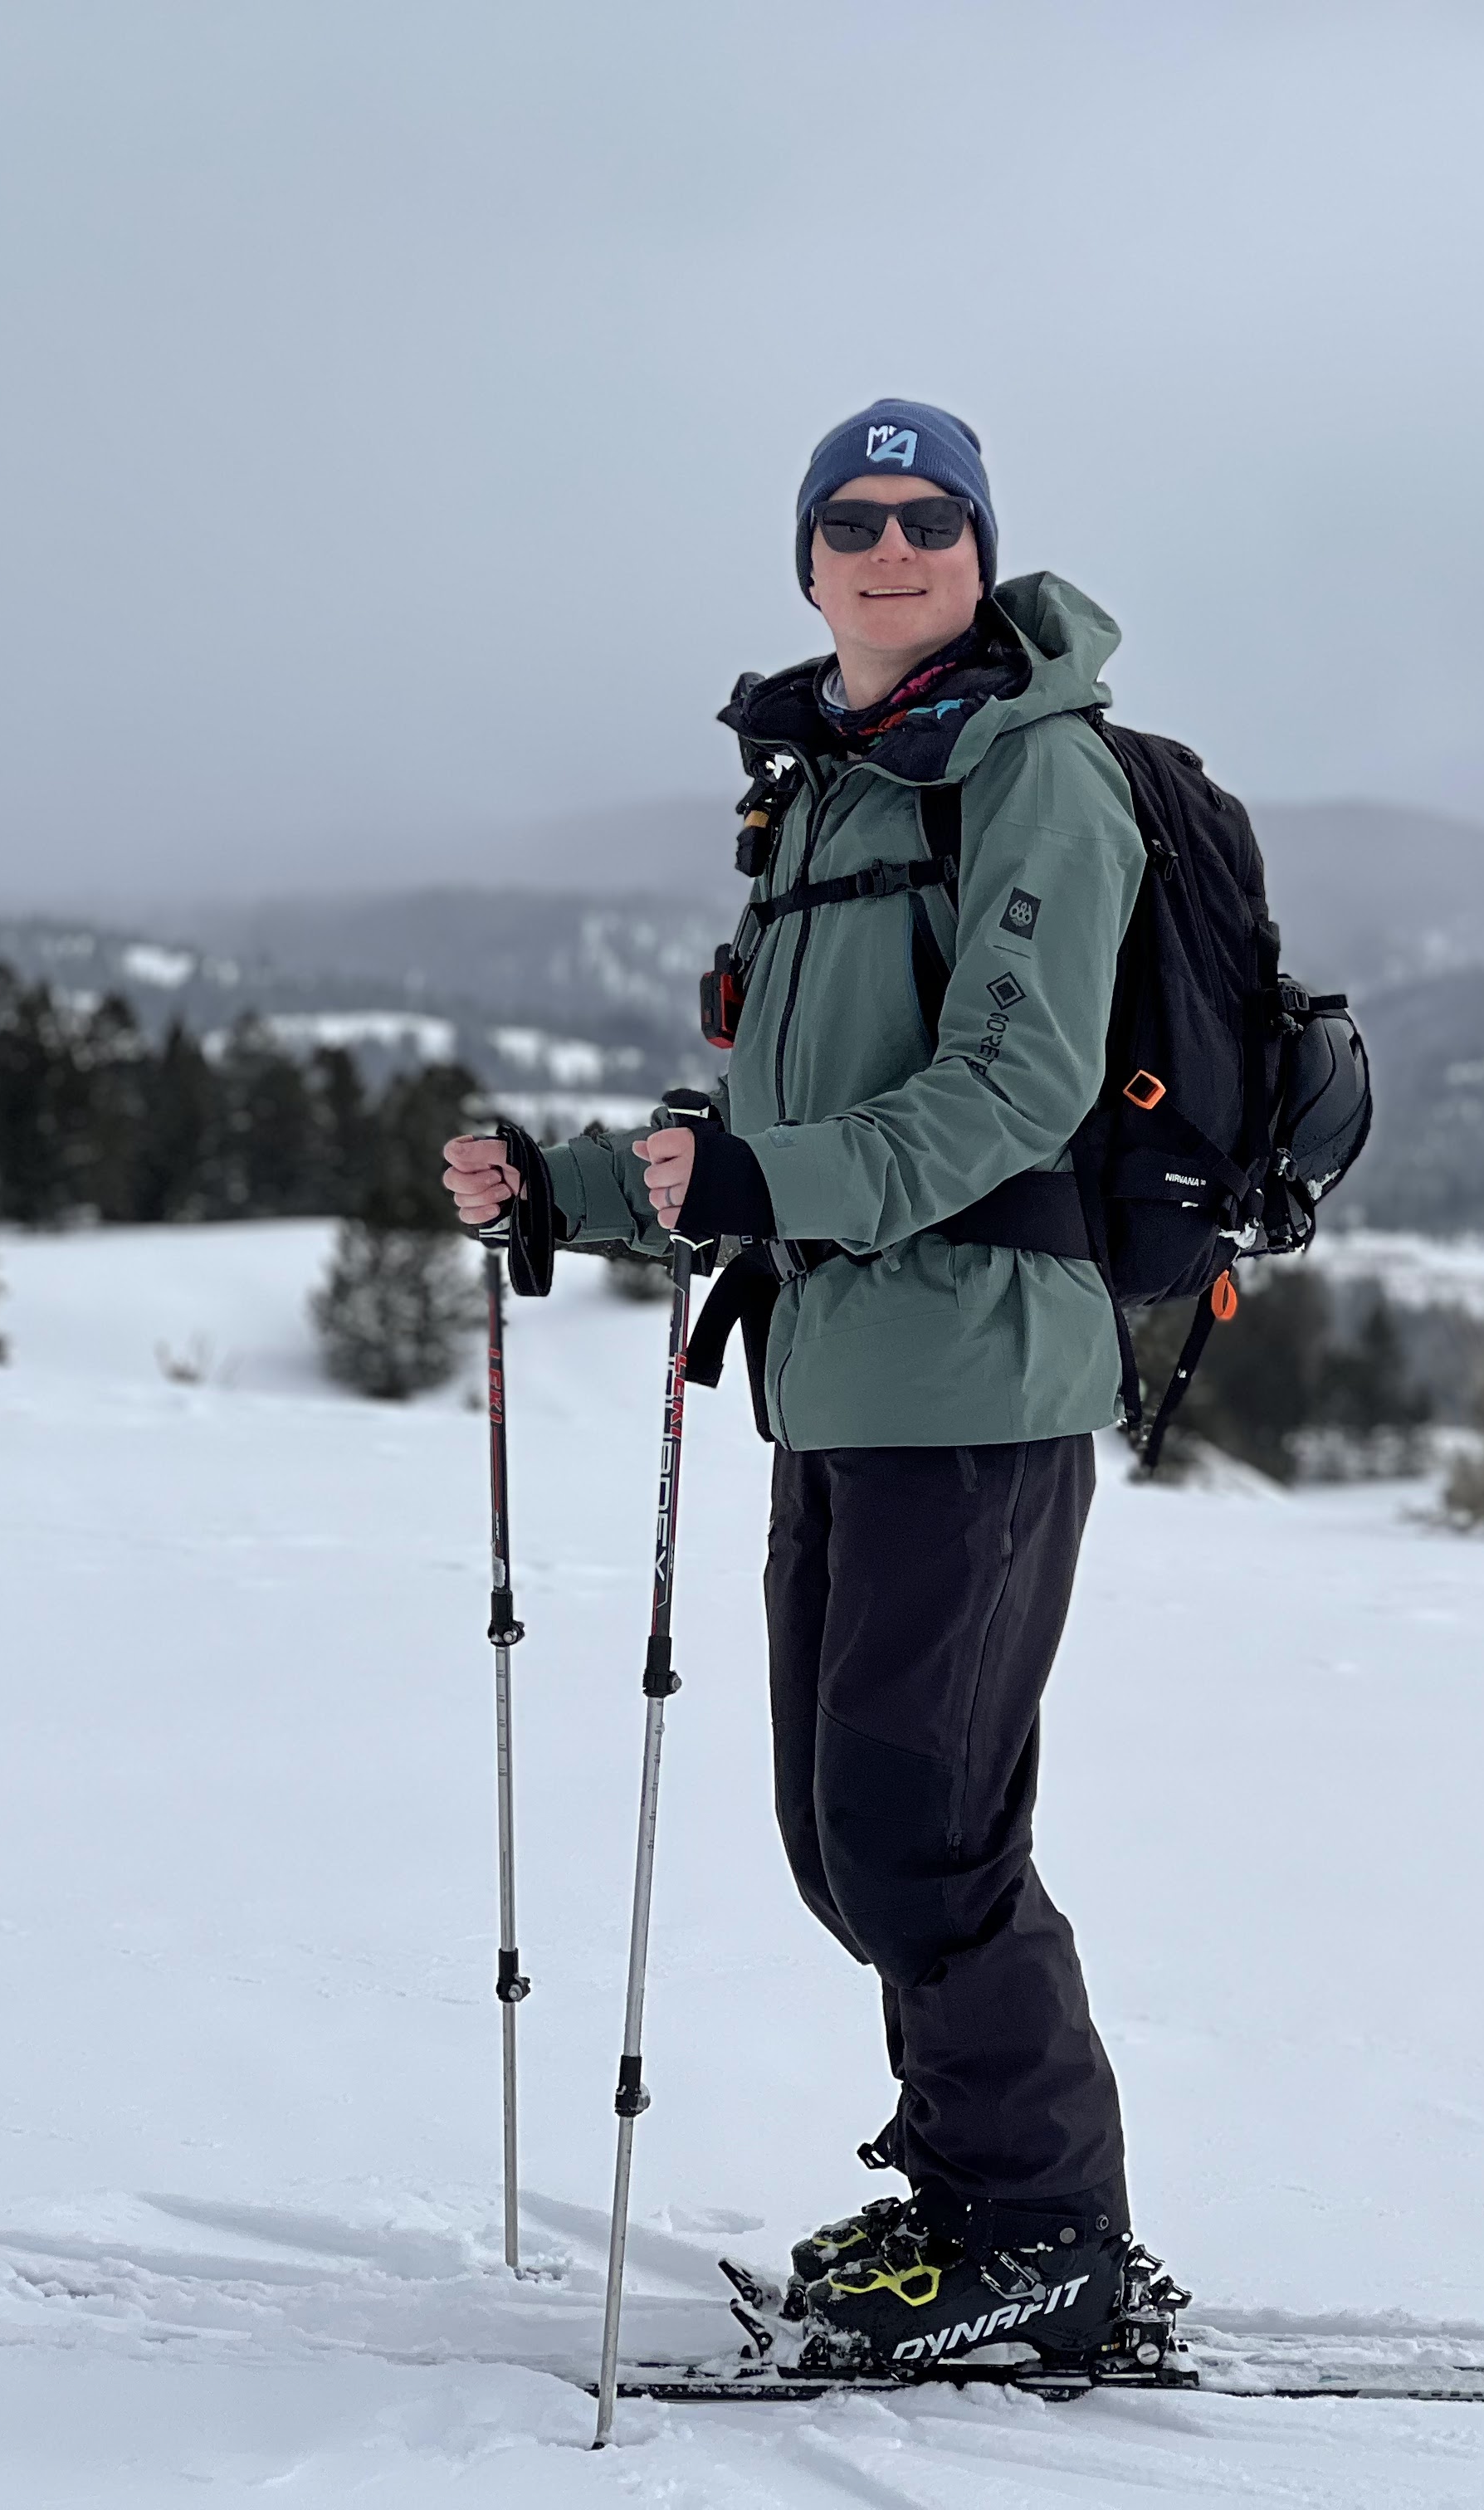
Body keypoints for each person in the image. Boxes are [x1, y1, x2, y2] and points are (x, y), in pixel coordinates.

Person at [442, 398, 1146, 2363]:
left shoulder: (1035, 773)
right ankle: (968, 2193)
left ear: (981, 550)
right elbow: (768, 1119)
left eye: (929, 518)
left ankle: (1047, 2236)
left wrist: (771, 1183)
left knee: (924, 1835)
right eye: (854, 519)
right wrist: (573, 1191)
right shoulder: (828, 784)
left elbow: (1012, 1093)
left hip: (981, 1377)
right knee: (850, 1840)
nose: (891, 546)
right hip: (840, 1381)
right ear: (809, 558)